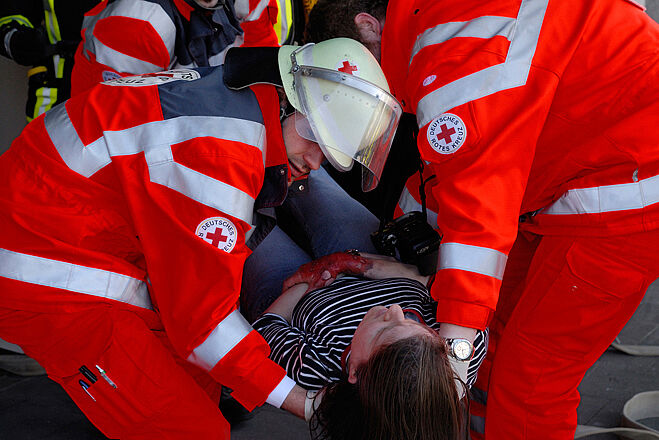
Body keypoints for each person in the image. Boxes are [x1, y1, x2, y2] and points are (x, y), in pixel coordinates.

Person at [0, 37, 402, 439]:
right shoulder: (220, 156)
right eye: (315, 140)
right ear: (291, 106)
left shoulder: (237, 102)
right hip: (46, 274)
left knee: (200, 382)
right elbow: (204, 323)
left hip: (79, 236)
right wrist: (306, 402)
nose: (315, 163)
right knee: (192, 430)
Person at [306, 1, 659, 439]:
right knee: (491, 342)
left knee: (529, 386)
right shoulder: (440, 26)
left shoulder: (449, 63)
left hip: (625, 197)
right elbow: (454, 176)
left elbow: (477, 228)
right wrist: (405, 265)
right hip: (584, 171)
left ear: (367, 27)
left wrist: (450, 369)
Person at [252, 251, 488, 439]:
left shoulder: (315, 370)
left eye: (385, 331)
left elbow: (268, 325)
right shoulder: (462, 347)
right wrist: (355, 262)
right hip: (371, 260)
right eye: (414, 322)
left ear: (354, 370)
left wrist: (313, 278)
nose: (395, 310)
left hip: (298, 285)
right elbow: (445, 283)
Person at [70, 0, 280, 96]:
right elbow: (120, 128)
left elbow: (265, 74)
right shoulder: (139, 22)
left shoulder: (251, 2)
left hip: (198, 114)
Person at [0, 0, 99, 121]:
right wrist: (16, 40)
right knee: (41, 138)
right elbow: (13, 14)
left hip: (120, 83)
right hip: (55, 88)